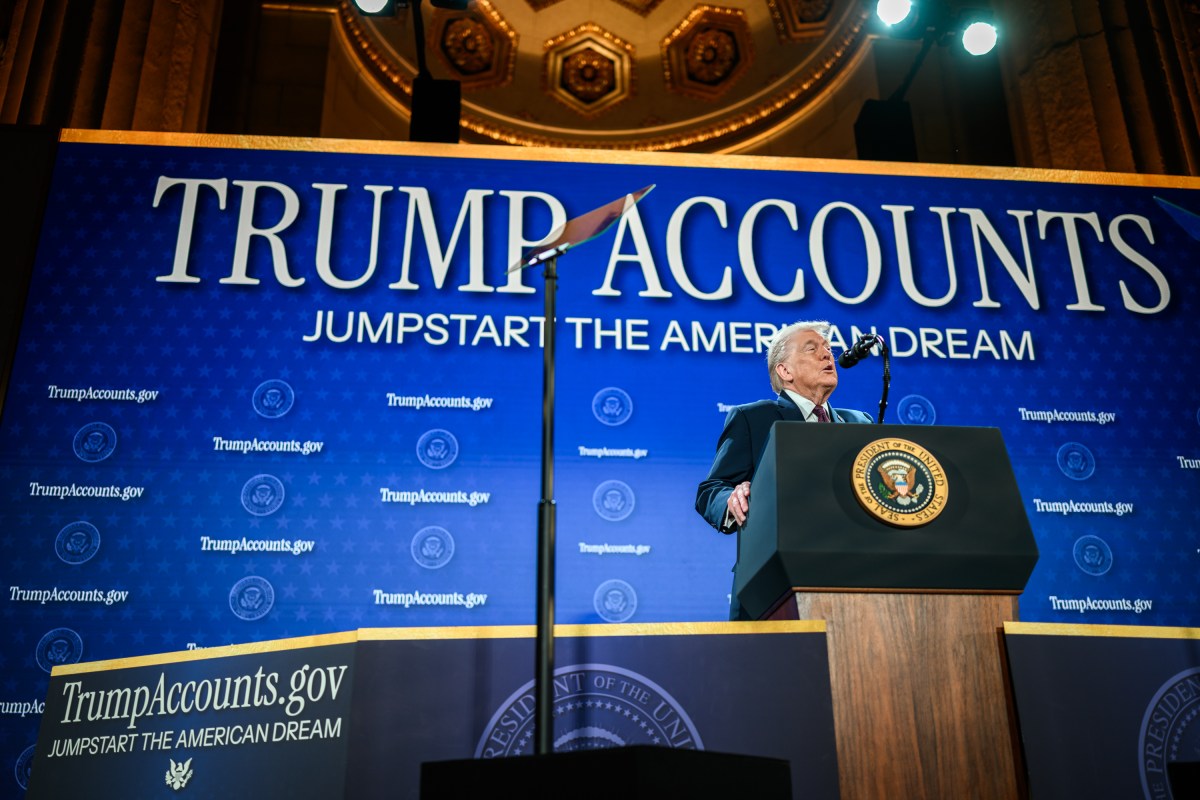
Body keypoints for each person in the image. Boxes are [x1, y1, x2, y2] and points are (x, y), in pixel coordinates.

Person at [695, 320, 873, 618]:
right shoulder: (754, 418)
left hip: (857, 582)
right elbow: (711, 489)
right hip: (775, 586)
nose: (827, 355)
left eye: (828, 348)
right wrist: (730, 499)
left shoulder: (860, 422)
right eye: (812, 349)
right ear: (785, 371)